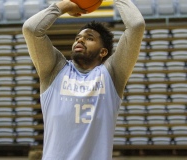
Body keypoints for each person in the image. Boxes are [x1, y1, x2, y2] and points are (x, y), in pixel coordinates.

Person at [22, 0, 145, 159]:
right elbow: (31, 30)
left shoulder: (112, 73)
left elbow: (136, 25)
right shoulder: (54, 69)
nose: (80, 40)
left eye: (89, 38)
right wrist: (65, 5)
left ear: (103, 52)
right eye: (78, 38)